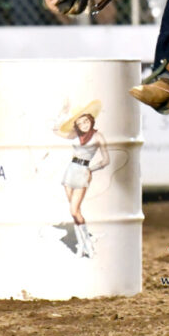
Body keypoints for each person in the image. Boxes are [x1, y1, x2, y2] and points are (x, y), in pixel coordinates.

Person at [53, 100, 109, 258]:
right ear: (76, 125)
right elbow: (56, 129)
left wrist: (90, 169)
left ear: (90, 120)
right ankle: (83, 246)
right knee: (75, 212)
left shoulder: (98, 136)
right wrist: (63, 112)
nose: (84, 124)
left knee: (74, 210)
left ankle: (87, 246)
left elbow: (106, 161)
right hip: (70, 170)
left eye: (86, 121)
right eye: (80, 122)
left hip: (83, 171)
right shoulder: (75, 135)